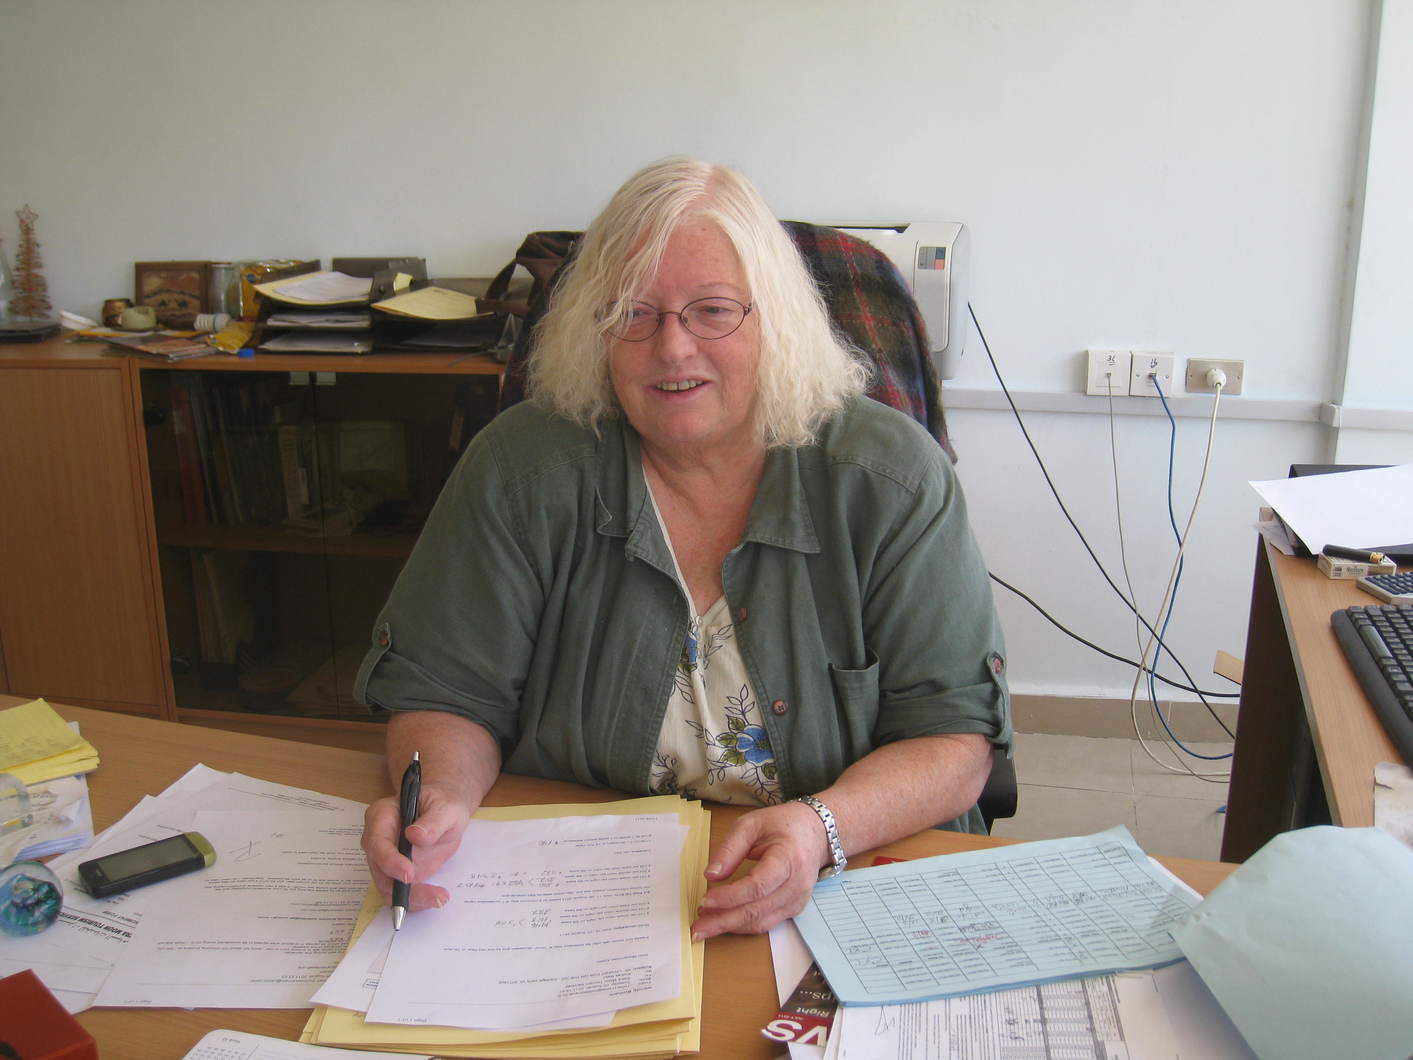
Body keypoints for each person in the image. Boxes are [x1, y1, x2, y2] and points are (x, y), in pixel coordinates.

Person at [358, 158, 1010, 940]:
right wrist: (442, 800)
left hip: (843, 881)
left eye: (712, 311)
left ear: (775, 319)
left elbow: (955, 739)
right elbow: (447, 693)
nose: (672, 348)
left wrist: (818, 827)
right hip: (582, 896)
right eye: (632, 313)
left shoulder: (890, 479)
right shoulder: (520, 469)